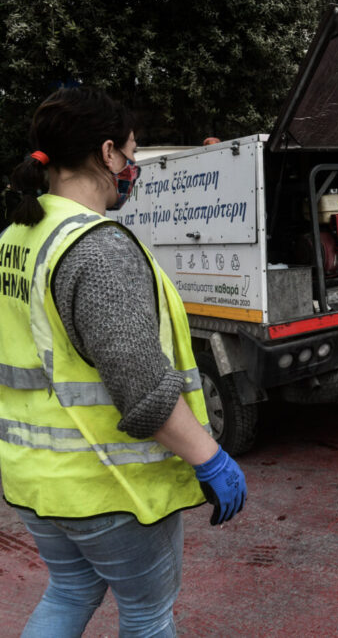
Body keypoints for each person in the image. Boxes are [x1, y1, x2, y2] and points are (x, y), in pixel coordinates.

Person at [0, 87, 247, 637]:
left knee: (69, 591)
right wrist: (211, 458)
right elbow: (144, 390)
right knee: (146, 615)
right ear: (107, 154)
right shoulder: (96, 247)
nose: (132, 168)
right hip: (110, 488)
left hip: (35, 481)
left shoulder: (16, 237)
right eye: (131, 154)